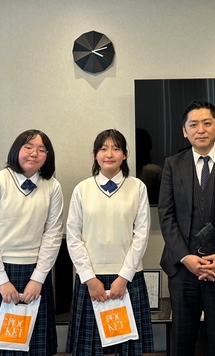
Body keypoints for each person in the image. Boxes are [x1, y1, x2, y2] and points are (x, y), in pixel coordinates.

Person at [158, 99, 215, 356]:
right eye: (193, 125)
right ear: (184, 130)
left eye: (207, 123)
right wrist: (185, 257)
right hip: (182, 268)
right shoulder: (172, 164)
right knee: (182, 339)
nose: (201, 129)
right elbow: (166, 215)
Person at [0, 129, 63, 356]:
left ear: (47, 156)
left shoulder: (52, 186)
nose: (34, 154)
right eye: (28, 147)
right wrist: (1, 281)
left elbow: (53, 233)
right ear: (16, 150)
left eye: (41, 150)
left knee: (33, 346)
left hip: (35, 272)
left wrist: (38, 278)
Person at [66, 129, 154, 356]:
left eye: (116, 148)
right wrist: (89, 278)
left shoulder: (137, 187)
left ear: (125, 154)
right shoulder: (82, 189)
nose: (109, 154)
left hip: (127, 278)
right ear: (95, 154)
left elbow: (141, 235)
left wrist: (124, 277)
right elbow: (73, 236)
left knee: (129, 350)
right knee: (89, 349)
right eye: (103, 149)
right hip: (90, 279)